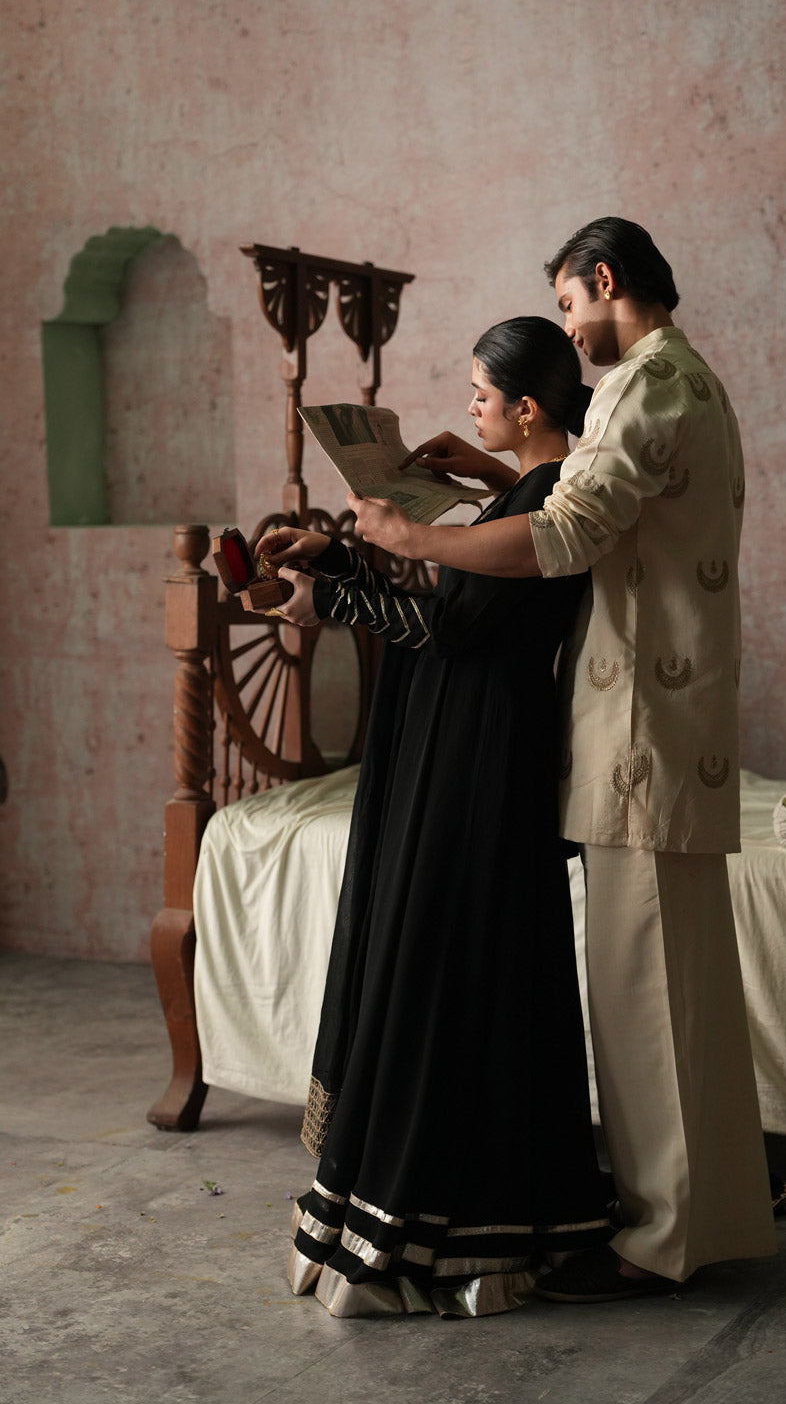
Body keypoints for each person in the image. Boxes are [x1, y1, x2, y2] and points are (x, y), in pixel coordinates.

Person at [351, 218, 778, 1302]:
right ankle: (708, 1216)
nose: (569, 329)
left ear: (604, 280)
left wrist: (417, 539)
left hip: (640, 730)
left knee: (648, 999)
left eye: (569, 303)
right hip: (669, 723)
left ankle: (663, 1240)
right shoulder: (688, 381)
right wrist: (490, 469)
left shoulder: (645, 383)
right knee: (679, 993)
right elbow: (595, 488)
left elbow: (567, 532)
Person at [260, 317, 612, 1319]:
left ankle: (434, 1227)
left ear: (527, 409)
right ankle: (459, 1213)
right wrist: (339, 560)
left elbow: (452, 625)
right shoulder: (528, 491)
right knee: (454, 956)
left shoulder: (552, 501)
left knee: (447, 959)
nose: (468, 409)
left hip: (483, 747)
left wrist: (336, 593)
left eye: (480, 396)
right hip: (459, 732)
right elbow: (453, 609)